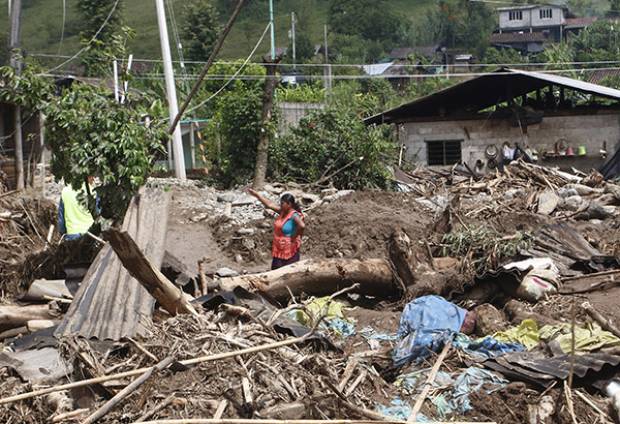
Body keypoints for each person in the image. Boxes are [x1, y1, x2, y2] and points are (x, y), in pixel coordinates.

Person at [247, 189, 305, 270]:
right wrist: (257, 195)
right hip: (279, 248)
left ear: (289, 204)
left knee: (288, 271)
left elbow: (302, 226)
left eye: (282, 203)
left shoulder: (294, 215)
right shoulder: (282, 211)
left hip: (289, 248)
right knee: (276, 269)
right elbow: (269, 204)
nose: (280, 205)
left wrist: (294, 236)